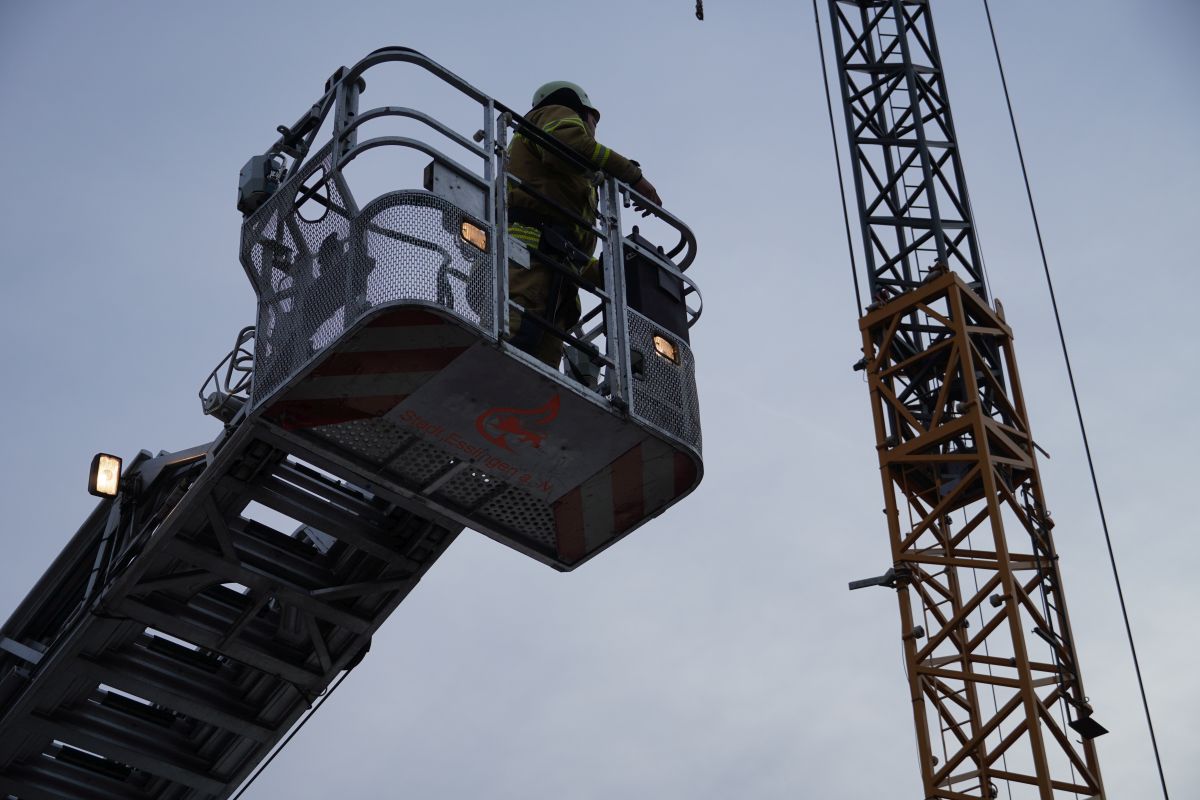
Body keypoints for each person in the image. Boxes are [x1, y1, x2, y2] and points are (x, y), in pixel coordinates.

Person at [505, 80, 661, 368]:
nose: (592, 129)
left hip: (552, 273)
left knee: (539, 371)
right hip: (530, 263)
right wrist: (632, 175)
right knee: (512, 346)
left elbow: (566, 245)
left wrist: (607, 272)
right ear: (580, 109)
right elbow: (569, 143)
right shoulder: (555, 113)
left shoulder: (575, 177)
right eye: (592, 120)